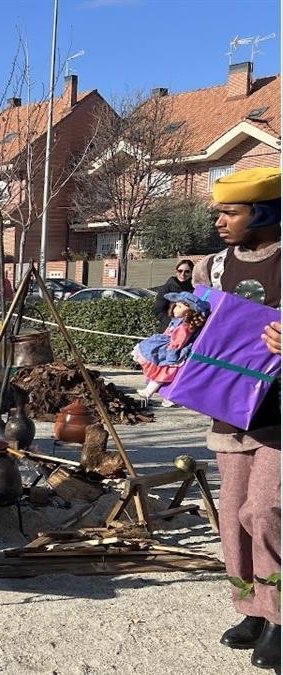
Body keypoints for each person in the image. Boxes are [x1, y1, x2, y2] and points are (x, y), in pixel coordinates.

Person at [191, 167, 281, 671]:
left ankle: (278, 616)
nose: (221, 221)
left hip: (279, 415)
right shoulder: (214, 267)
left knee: (265, 511)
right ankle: (249, 606)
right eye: (220, 213)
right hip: (229, 409)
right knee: (232, 517)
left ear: (263, 213)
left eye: (231, 211)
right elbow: (202, 322)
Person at [132, 291, 208, 400]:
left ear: (188, 312)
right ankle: (150, 386)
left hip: (169, 350)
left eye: (179, 307)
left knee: (162, 369)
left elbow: (177, 342)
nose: (175, 308)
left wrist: (171, 356)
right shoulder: (177, 321)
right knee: (153, 361)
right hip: (164, 345)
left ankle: (149, 391)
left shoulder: (184, 327)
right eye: (176, 305)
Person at [152, 259, 194, 331]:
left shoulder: (195, 288)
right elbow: (158, 310)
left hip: (188, 329)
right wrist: (172, 323)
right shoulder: (167, 288)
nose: (183, 274)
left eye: (187, 271)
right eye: (180, 271)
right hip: (168, 329)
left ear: (191, 273)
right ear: (176, 271)